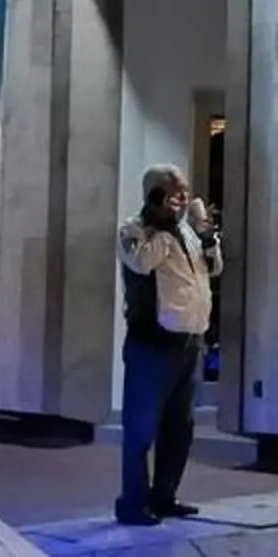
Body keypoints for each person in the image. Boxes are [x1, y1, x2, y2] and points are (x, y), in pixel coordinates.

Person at [115, 162, 219, 525]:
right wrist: (164, 224)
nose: (183, 199)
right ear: (155, 195)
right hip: (153, 344)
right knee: (141, 427)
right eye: (174, 193)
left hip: (191, 342)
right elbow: (142, 262)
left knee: (179, 427)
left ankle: (165, 496)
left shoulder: (186, 231)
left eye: (185, 192)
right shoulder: (135, 231)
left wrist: (206, 238)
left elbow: (214, 269)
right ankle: (132, 502)